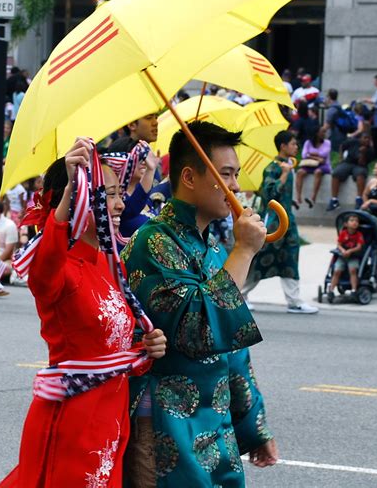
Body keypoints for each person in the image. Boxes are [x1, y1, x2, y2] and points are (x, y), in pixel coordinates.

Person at [0, 138, 166, 487]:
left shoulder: (106, 263)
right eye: (110, 195)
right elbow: (44, 267)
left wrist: (146, 349)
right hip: (71, 420)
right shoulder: (57, 268)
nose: (121, 205)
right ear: (80, 200)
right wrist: (72, 185)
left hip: (111, 417)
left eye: (121, 193)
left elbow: (109, 349)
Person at [122, 121, 278, 487]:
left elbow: (233, 349)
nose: (235, 187)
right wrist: (243, 251)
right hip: (166, 425)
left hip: (214, 425)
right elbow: (199, 330)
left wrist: (256, 426)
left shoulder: (209, 248)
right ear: (189, 177)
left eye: (236, 174)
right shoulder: (153, 243)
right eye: (226, 174)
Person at [243, 130, 319, 314]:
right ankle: (241, 295)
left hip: (288, 220)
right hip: (273, 222)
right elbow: (269, 193)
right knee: (261, 257)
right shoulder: (273, 168)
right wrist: (284, 175)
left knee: (291, 257)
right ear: (283, 146)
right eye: (293, 143)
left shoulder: (288, 166)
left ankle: (294, 301)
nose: (296, 147)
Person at [104, 139, 159, 239]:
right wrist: (150, 171)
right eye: (139, 158)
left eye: (145, 158)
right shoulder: (120, 201)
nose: (144, 162)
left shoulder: (147, 197)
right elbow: (133, 207)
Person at [326, 132, 374, 211]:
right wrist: (341, 158)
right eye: (365, 138)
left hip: (360, 166)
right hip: (348, 162)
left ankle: (359, 200)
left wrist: (363, 152)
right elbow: (342, 146)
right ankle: (334, 200)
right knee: (336, 173)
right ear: (360, 139)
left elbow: (361, 162)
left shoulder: (370, 150)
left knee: (360, 175)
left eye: (369, 139)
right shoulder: (353, 142)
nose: (367, 140)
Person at [327, 214, 365, 301]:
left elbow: (359, 247)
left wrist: (350, 251)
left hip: (353, 256)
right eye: (352, 220)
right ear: (346, 224)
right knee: (336, 271)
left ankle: (354, 290)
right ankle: (331, 290)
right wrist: (343, 250)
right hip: (342, 256)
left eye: (356, 221)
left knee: (353, 270)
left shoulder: (359, 234)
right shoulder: (343, 233)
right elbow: (339, 244)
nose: (354, 222)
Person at [295, 126, 331, 207]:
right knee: (300, 172)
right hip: (310, 164)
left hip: (323, 165)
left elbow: (324, 154)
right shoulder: (308, 142)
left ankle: (313, 198)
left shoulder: (327, 142)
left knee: (318, 172)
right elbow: (304, 155)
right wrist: (317, 157)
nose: (324, 134)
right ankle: (298, 198)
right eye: (322, 132)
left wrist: (310, 154)